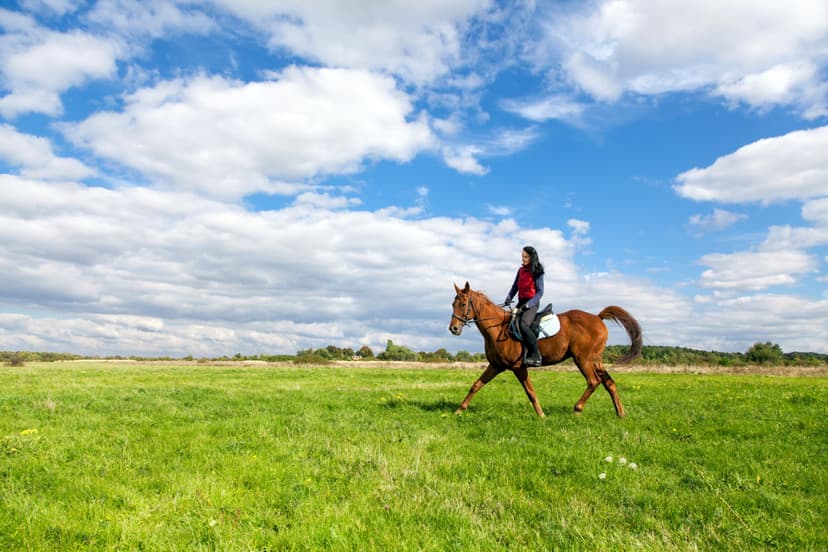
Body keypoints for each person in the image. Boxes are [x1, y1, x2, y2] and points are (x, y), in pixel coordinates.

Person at [504, 245, 545, 367]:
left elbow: (540, 292)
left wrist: (529, 304)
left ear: (532, 257)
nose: (523, 259)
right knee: (509, 322)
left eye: (525, 257)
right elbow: (515, 287)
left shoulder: (537, 270)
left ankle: (536, 355)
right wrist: (509, 298)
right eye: (522, 256)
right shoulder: (520, 270)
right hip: (521, 302)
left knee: (523, 324)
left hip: (532, 302)